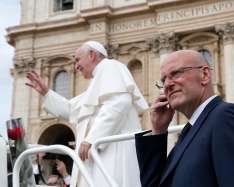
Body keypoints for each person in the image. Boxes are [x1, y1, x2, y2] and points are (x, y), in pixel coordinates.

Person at [135, 50, 234, 187]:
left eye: (176, 73)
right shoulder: (190, 131)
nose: (167, 84)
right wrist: (158, 132)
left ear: (204, 75)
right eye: (163, 80)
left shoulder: (227, 117)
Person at [26, 41, 148, 187]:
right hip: (98, 157)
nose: (76, 66)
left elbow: (119, 102)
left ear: (92, 55)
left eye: (78, 59)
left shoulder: (111, 66)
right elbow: (71, 109)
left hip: (113, 154)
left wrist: (92, 138)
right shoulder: (95, 84)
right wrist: (46, 93)